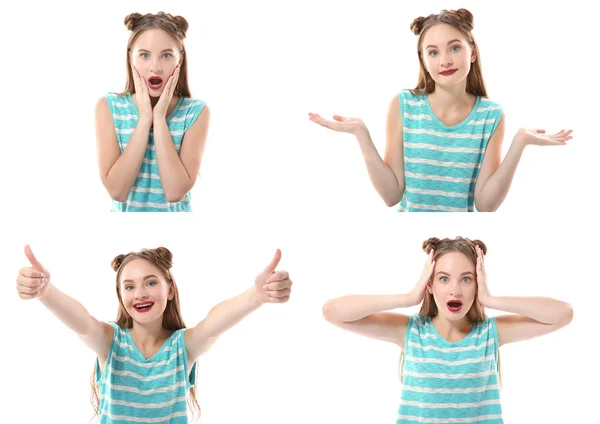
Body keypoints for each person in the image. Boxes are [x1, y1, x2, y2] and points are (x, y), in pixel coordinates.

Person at [309, 9, 573, 212]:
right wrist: (360, 133)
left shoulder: (490, 115)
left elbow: (485, 204)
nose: (445, 60)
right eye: (433, 52)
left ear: (472, 52)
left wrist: (520, 143)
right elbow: (392, 196)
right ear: (423, 60)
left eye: (455, 47)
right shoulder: (404, 105)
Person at [15, 245, 292, 422]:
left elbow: (213, 323)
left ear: (169, 289)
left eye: (150, 282)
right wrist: (46, 292)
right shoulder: (110, 342)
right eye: (130, 286)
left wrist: (255, 296)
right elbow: (80, 320)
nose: (140, 294)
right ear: (120, 295)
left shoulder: (181, 347)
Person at [322, 237, 573, 422]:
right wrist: (409, 296)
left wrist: (492, 300)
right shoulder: (411, 332)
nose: (455, 290)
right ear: (429, 285)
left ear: (477, 284)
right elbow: (333, 311)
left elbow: (562, 314)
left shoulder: (488, 334)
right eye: (444, 278)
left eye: (466, 279)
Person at [95, 12, 210, 212]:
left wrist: (159, 118)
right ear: (131, 57)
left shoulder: (195, 112)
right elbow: (117, 191)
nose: (155, 68)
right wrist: (145, 119)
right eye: (144, 55)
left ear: (179, 59)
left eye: (166, 55)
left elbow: (174, 192)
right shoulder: (108, 107)